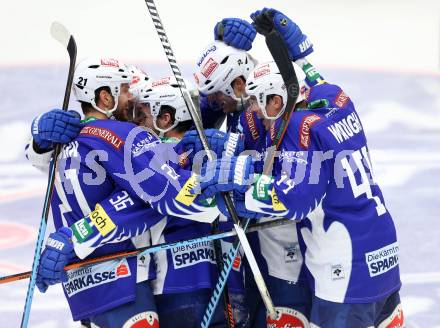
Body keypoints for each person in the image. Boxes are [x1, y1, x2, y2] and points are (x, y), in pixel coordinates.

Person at [195, 8, 404, 327]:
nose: (253, 109)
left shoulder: (296, 127)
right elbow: (315, 85)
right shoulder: (334, 101)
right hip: (384, 251)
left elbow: (295, 198)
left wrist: (239, 186)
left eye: (256, 101)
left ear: (276, 100)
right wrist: (301, 55)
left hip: (346, 266)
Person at [27, 57, 221, 327]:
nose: (132, 101)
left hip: (82, 284)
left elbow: (38, 158)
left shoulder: (65, 142)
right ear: (105, 97)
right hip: (123, 274)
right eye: (126, 91)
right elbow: (162, 192)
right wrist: (218, 181)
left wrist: (38, 140)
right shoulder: (125, 135)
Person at [186, 25, 313, 326]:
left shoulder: (275, 110)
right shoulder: (238, 107)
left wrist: (238, 156)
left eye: (216, 96)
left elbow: (280, 166)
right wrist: (219, 40)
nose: (214, 103)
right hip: (255, 241)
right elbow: (201, 116)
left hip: (286, 241)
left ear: (240, 83)